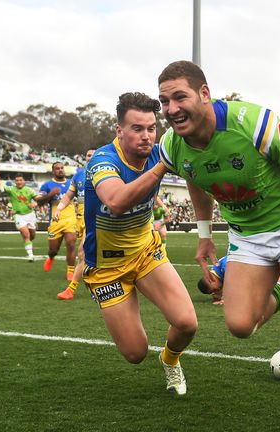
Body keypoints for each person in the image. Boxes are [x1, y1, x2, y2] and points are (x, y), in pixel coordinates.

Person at [157, 61, 280, 430]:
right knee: (239, 325)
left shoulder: (254, 124)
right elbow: (194, 179)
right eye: (164, 101)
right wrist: (204, 234)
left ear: (204, 94)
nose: (171, 109)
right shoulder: (171, 145)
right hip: (247, 236)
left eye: (179, 97)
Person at [83, 92, 197, 395]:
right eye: (137, 128)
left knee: (187, 323)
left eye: (151, 128)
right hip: (107, 267)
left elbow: (197, 165)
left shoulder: (161, 151)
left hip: (146, 252)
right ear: (119, 130)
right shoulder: (103, 160)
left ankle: (170, 360)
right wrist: (161, 167)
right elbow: (116, 201)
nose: (146, 136)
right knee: (135, 353)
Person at [54, 147, 96, 300]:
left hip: (97, 220)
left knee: (82, 253)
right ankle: (95, 286)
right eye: (88, 155)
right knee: (92, 256)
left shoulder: (105, 173)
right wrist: (59, 209)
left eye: (93, 155)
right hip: (82, 221)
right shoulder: (79, 175)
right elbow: (69, 195)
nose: (90, 157)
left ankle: (71, 289)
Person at [36, 161, 77, 279]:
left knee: (71, 243)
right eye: (57, 168)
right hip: (55, 220)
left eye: (62, 168)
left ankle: (70, 271)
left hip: (70, 219)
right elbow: (39, 202)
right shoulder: (47, 185)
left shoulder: (71, 183)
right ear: (53, 171)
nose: (60, 170)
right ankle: (51, 257)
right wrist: (50, 194)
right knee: (53, 249)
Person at [0, 172, 38, 261]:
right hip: (18, 215)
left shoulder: (30, 190)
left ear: (24, 181)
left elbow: (38, 199)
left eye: (20, 180)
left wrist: (34, 203)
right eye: (17, 180)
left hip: (30, 215)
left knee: (32, 235)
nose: (19, 182)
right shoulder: (11, 189)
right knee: (26, 234)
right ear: (15, 182)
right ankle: (30, 255)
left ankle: (28, 243)